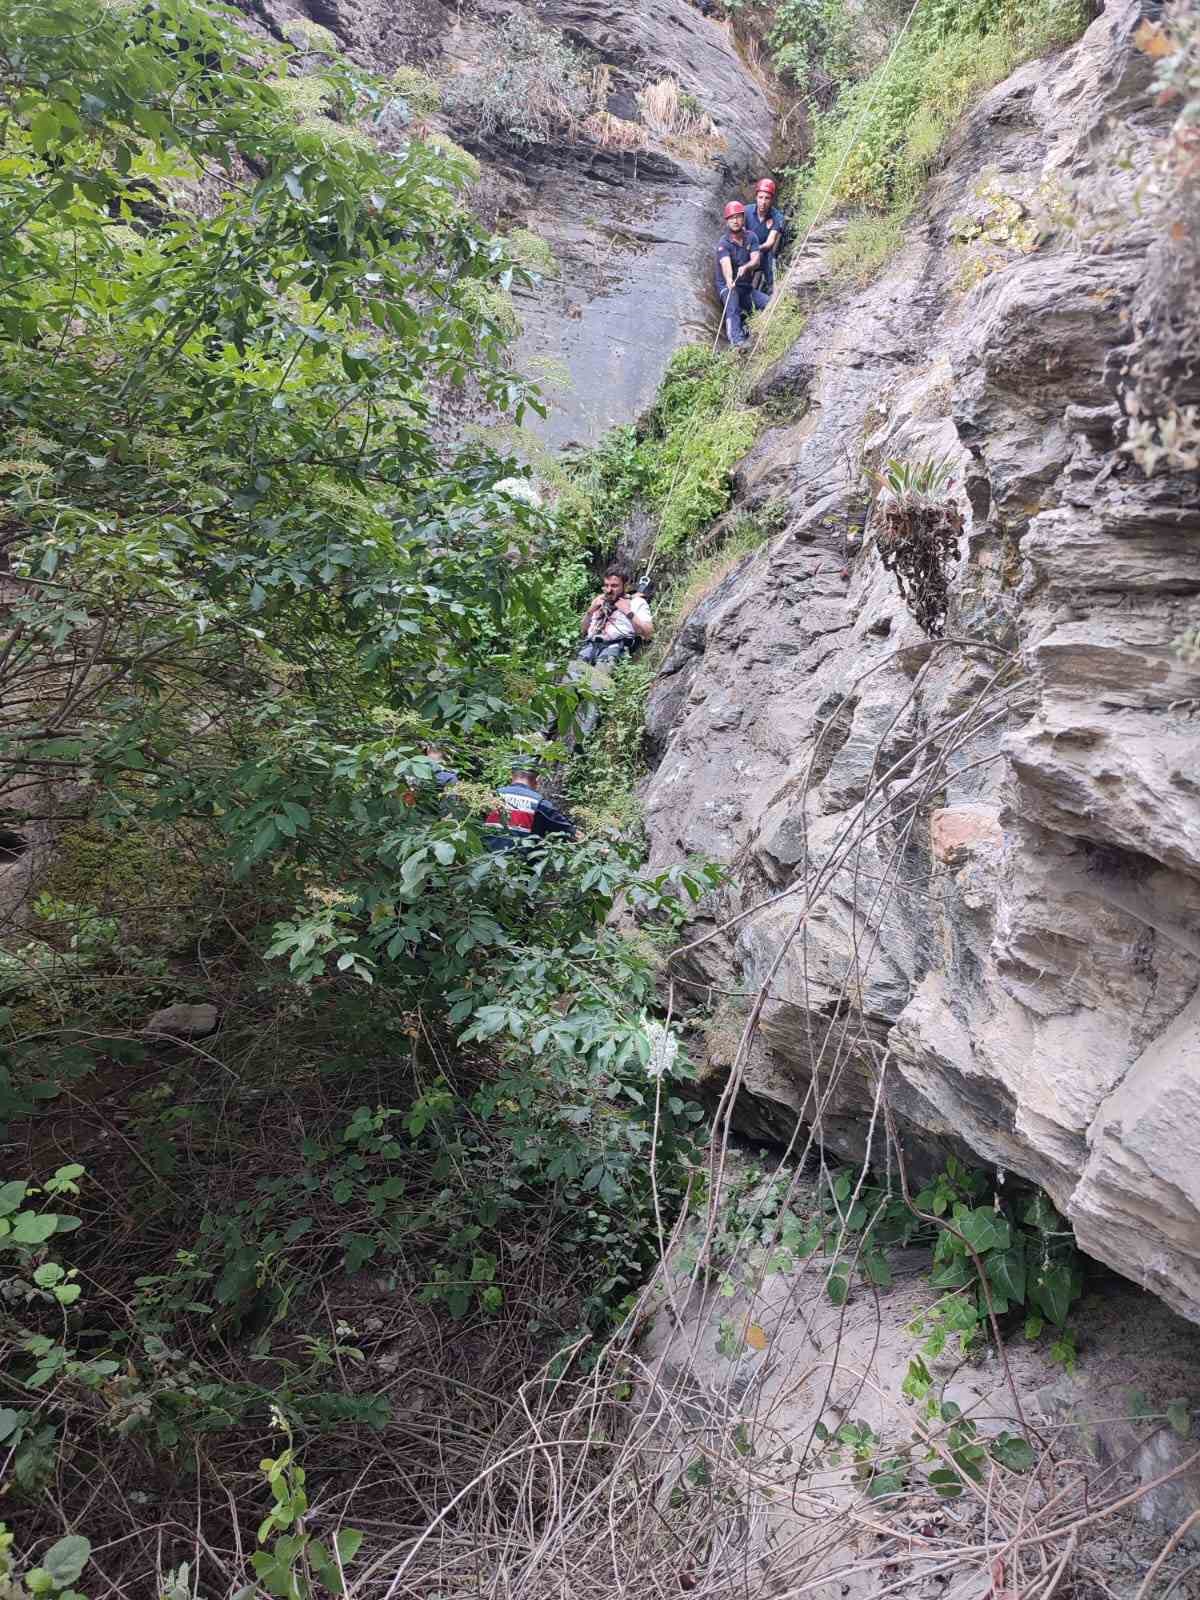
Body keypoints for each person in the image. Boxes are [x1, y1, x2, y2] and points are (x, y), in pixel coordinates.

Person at [484, 762, 576, 853]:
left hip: (486, 856)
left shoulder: (491, 796)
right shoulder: (540, 803)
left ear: (511, 775)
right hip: (519, 860)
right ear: (538, 779)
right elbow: (571, 833)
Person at [714, 200, 767, 348]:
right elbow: (725, 264)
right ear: (727, 221)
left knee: (768, 303)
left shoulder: (751, 237)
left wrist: (746, 267)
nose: (735, 221)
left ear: (743, 218)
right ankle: (736, 341)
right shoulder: (723, 244)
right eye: (731, 218)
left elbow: (756, 260)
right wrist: (729, 280)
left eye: (738, 217)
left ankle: (754, 327)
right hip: (729, 287)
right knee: (732, 306)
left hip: (746, 288)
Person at [578, 567, 654, 665]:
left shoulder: (636, 602)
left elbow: (649, 633)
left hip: (615, 648)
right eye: (606, 585)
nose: (609, 590)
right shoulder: (599, 600)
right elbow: (583, 630)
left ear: (625, 586)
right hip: (590, 646)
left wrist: (628, 613)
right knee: (572, 671)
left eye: (614, 586)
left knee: (600, 671)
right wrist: (591, 610)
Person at [743, 178, 786, 296]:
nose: (763, 202)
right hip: (746, 250)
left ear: (772, 200)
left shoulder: (777, 217)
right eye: (760, 197)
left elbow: (770, 242)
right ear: (756, 197)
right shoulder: (746, 211)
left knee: (769, 259)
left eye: (767, 198)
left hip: (763, 253)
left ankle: (772, 290)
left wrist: (756, 249)